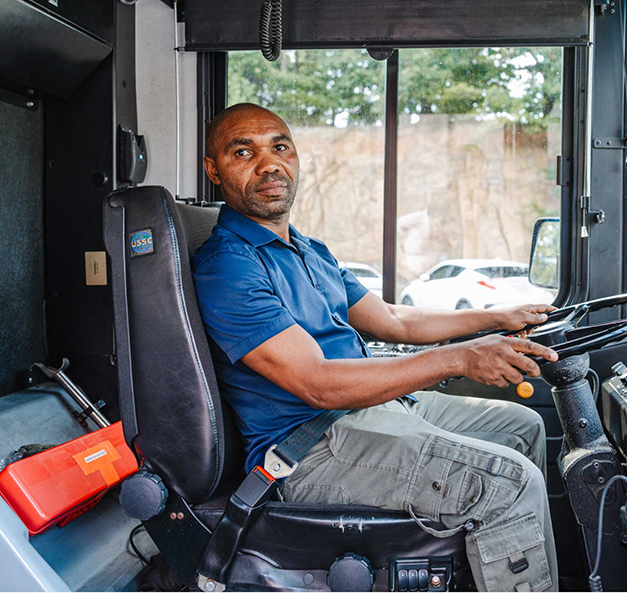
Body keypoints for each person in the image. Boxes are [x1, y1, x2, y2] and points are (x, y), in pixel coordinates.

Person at [192, 103, 560, 592]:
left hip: (370, 411)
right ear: (214, 171)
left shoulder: (309, 250)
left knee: (522, 426)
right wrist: (460, 357)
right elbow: (318, 384)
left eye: (280, 147)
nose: (269, 164)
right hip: (312, 448)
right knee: (509, 481)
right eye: (244, 152)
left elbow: (393, 318)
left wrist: (496, 316)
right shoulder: (228, 266)